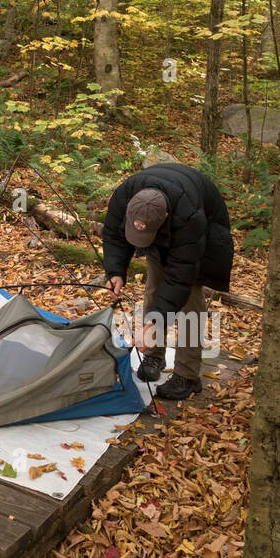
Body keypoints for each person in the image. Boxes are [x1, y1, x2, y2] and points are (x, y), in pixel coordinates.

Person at [101, 163, 234, 401]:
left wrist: (155, 322)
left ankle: (188, 375)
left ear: (164, 218)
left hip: (204, 236)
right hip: (167, 230)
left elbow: (180, 278)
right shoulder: (125, 195)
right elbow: (113, 234)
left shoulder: (189, 217)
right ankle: (154, 353)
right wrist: (116, 271)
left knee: (189, 302)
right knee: (154, 289)